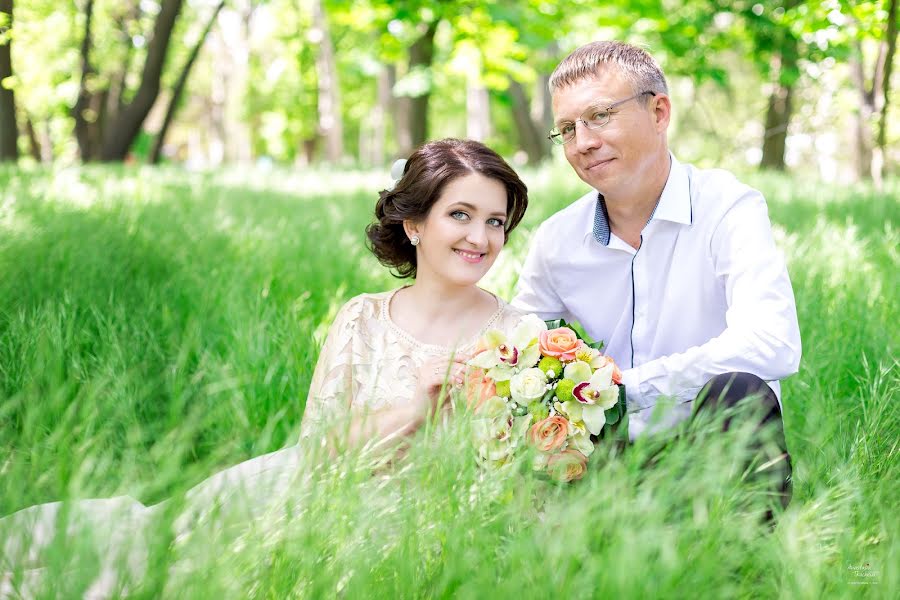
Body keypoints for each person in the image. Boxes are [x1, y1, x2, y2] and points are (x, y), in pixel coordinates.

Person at [1, 138, 530, 597]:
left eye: (495, 222)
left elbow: (525, 481)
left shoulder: (522, 339)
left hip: (423, 530)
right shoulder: (362, 317)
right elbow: (320, 450)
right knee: (155, 548)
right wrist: (414, 411)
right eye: (459, 214)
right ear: (414, 224)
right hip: (314, 495)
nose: (479, 239)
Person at [511, 41, 801, 508]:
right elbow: (515, 348)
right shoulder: (557, 240)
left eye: (600, 115)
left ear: (659, 112)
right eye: (567, 129)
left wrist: (624, 389)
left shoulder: (727, 207)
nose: (582, 142)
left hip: (712, 441)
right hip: (602, 454)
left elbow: (773, 343)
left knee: (740, 389)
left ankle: (751, 566)